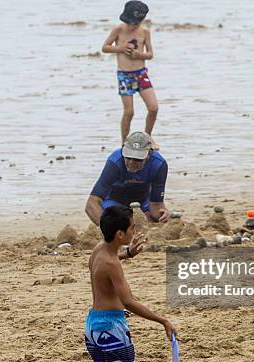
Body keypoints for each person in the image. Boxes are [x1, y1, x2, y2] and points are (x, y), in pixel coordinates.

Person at [82, 206, 176, 362]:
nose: (134, 232)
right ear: (120, 234)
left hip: (93, 326)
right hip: (111, 328)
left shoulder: (99, 250)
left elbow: (101, 265)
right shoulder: (112, 264)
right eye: (132, 228)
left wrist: (128, 253)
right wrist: (162, 321)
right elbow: (129, 302)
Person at [102, 1, 159, 148]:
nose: (132, 26)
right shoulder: (118, 30)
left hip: (140, 74)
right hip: (124, 75)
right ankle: (125, 144)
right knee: (129, 112)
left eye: (135, 23)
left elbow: (150, 54)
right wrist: (121, 48)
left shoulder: (145, 32)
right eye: (130, 22)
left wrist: (139, 54)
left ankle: (147, 138)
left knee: (153, 108)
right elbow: (105, 48)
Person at [85, 131, 169, 226]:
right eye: (128, 157)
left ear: (149, 154)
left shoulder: (158, 164)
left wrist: (163, 215)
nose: (131, 163)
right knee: (117, 222)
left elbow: (156, 204)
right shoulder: (115, 162)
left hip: (143, 202)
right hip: (114, 201)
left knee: (151, 221)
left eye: (138, 159)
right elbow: (91, 204)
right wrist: (106, 228)